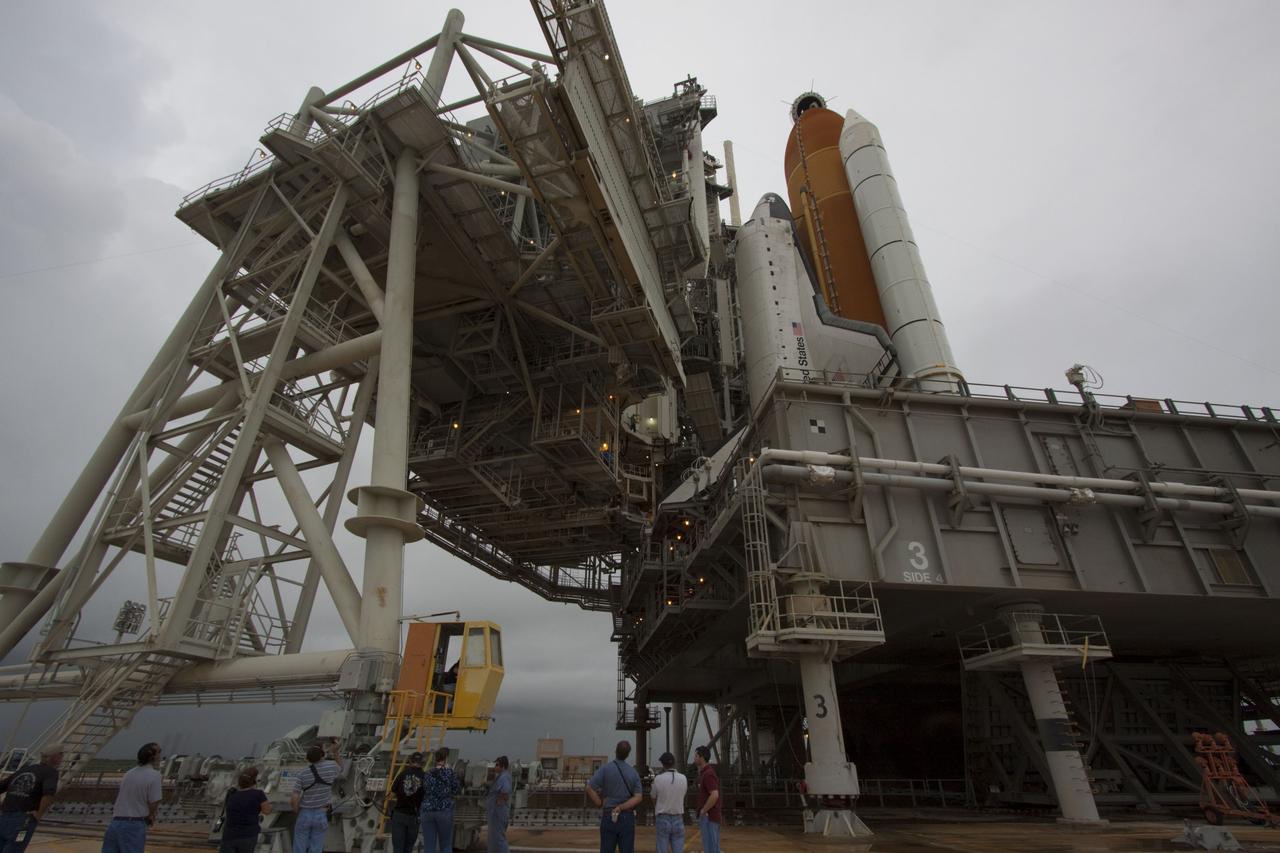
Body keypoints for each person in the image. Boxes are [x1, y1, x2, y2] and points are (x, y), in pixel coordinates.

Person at [0, 744, 64, 853]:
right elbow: (48, 794)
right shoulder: (50, 772)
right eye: (61, 754)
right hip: (24, 820)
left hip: (5, 816)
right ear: (55, 757)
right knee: (14, 848)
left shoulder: (24, 769)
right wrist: (38, 814)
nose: (62, 757)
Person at [101, 742, 163, 853]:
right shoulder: (155, 775)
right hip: (134, 825)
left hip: (115, 823)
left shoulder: (128, 773)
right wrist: (151, 816)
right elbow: (154, 802)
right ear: (153, 756)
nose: (160, 755)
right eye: (159, 752)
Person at [585, 741, 642, 853]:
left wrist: (599, 803)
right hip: (627, 817)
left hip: (609, 815)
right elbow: (638, 797)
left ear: (615, 751)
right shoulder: (633, 772)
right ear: (628, 754)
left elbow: (589, 788)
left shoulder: (605, 769)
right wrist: (621, 807)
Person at [290, 741, 341, 853]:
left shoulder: (303, 773)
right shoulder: (331, 767)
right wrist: (335, 751)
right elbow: (339, 767)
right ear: (322, 755)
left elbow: (295, 796)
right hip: (321, 812)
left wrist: (295, 809)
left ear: (308, 758)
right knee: (316, 846)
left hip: (305, 813)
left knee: (299, 845)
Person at [219, 768, 271, 853]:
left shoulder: (231, 794)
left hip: (229, 835)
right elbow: (267, 811)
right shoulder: (258, 794)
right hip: (248, 835)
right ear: (254, 781)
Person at [419, 747, 460, 853]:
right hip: (444, 810)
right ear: (446, 758)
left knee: (429, 845)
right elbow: (456, 789)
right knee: (446, 844)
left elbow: (424, 789)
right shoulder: (449, 773)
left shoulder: (428, 773)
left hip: (427, 810)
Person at [388, 752, 425, 853]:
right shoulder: (425, 777)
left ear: (410, 761)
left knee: (398, 848)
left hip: (399, 815)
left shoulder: (402, 774)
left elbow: (391, 795)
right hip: (414, 817)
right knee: (408, 849)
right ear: (422, 763)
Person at [650, 752, 687, 853]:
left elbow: (653, 797)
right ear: (674, 763)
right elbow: (683, 794)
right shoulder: (683, 778)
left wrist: (657, 806)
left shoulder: (658, 779)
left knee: (661, 848)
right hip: (678, 817)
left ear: (662, 764)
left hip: (663, 817)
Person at [693, 747, 720, 853]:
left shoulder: (708, 774)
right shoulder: (705, 773)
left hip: (709, 817)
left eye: (696, 756)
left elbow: (714, 794)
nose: (694, 758)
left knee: (711, 848)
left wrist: (704, 810)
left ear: (701, 757)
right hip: (709, 816)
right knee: (709, 846)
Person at [484, 756, 511, 853]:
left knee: (498, 838)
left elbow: (505, 791)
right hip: (494, 812)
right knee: (493, 838)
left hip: (498, 812)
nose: (495, 767)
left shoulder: (504, 777)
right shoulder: (500, 776)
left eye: (497, 765)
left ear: (503, 766)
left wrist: (499, 801)